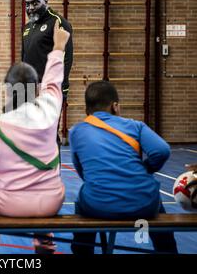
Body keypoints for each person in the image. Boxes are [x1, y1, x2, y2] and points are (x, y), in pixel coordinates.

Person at [0, 21, 70, 254]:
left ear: (8, 91)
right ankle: (45, 243)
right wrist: (58, 47)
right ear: (36, 90)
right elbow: (53, 82)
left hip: (8, 205)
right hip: (52, 201)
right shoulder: (50, 110)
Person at [69, 81, 178, 254]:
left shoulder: (76, 131)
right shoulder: (135, 126)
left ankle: (82, 251)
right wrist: (146, 168)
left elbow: (81, 169)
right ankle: (168, 250)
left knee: (81, 202)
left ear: (86, 110)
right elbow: (162, 150)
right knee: (156, 203)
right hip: (143, 204)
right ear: (115, 106)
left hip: (97, 205)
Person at [22, 0, 74, 146]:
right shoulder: (28, 26)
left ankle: (53, 171)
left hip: (50, 90)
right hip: (29, 89)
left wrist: (55, 88)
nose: (30, 8)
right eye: (27, 4)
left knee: (48, 134)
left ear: (46, 1)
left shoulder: (58, 22)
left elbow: (66, 59)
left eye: (35, 3)